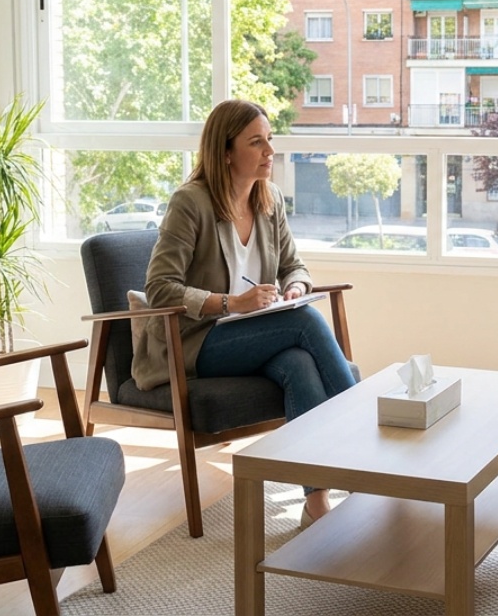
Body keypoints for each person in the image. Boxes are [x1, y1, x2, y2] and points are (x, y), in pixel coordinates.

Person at [138, 99, 357, 526]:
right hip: (197, 340)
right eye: (256, 142)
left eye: (269, 140)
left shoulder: (268, 197)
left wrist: (296, 284)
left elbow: (294, 264)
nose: (269, 151)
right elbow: (159, 288)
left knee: (298, 362)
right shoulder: (191, 203)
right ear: (225, 152)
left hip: (255, 333)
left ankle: (316, 502)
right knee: (304, 321)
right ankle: (369, 446)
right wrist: (231, 303)